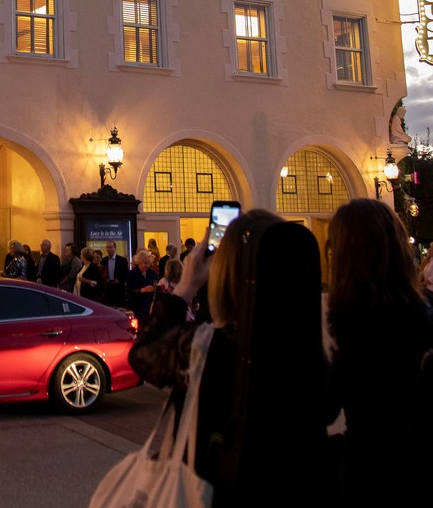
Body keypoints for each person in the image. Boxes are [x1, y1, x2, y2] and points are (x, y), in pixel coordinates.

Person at [129, 209, 327, 501]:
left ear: (230, 275)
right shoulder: (313, 346)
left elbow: (143, 354)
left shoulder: (210, 346)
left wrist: (185, 286)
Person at [327, 198, 433, 504]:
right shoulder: (428, 312)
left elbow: (324, 405)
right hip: (432, 470)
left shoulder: (354, 325)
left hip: (372, 473)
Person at [127, 248, 159, 319]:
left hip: (149, 306)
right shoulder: (132, 274)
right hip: (137, 306)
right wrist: (142, 290)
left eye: (148, 263)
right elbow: (129, 291)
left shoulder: (151, 273)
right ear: (139, 262)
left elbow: (157, 282)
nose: (147, 265)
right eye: (145, 263)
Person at [100, 240, 128, 306]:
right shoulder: (104, 260)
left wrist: (119, 280)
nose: (108, 249)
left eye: (110, 247)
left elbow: (126, 274)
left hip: (119, 289)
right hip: (108, 289)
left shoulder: (122, 260)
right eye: (107, 247)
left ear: (115, 248)